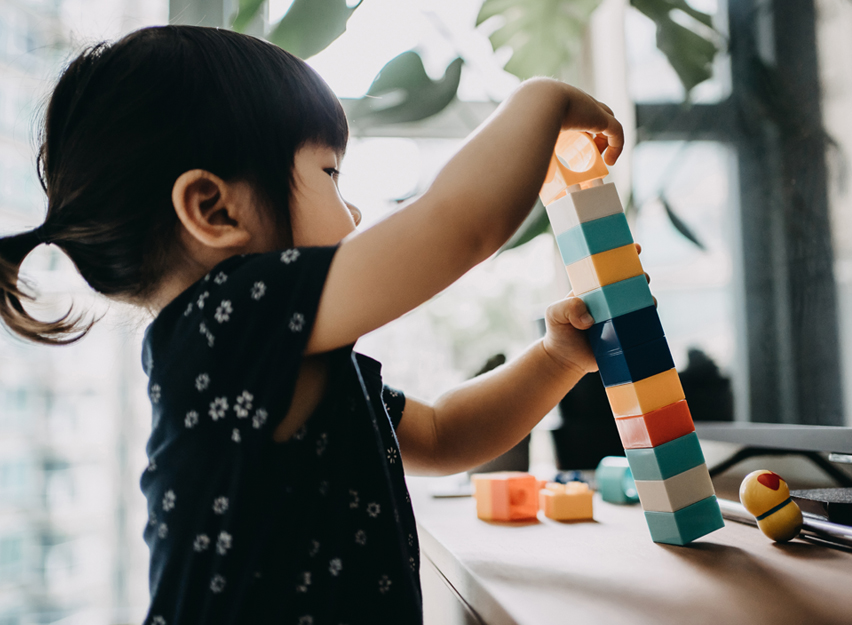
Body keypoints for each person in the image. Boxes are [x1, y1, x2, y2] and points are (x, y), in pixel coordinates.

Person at [0, 26, 624, 624]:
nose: (353, 212)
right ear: (215, 210)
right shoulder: (232, 317)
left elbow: (440, 436)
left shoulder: (263, 353)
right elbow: (457, 227)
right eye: (329, 173)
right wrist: (545, 100)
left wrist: (556, 360)